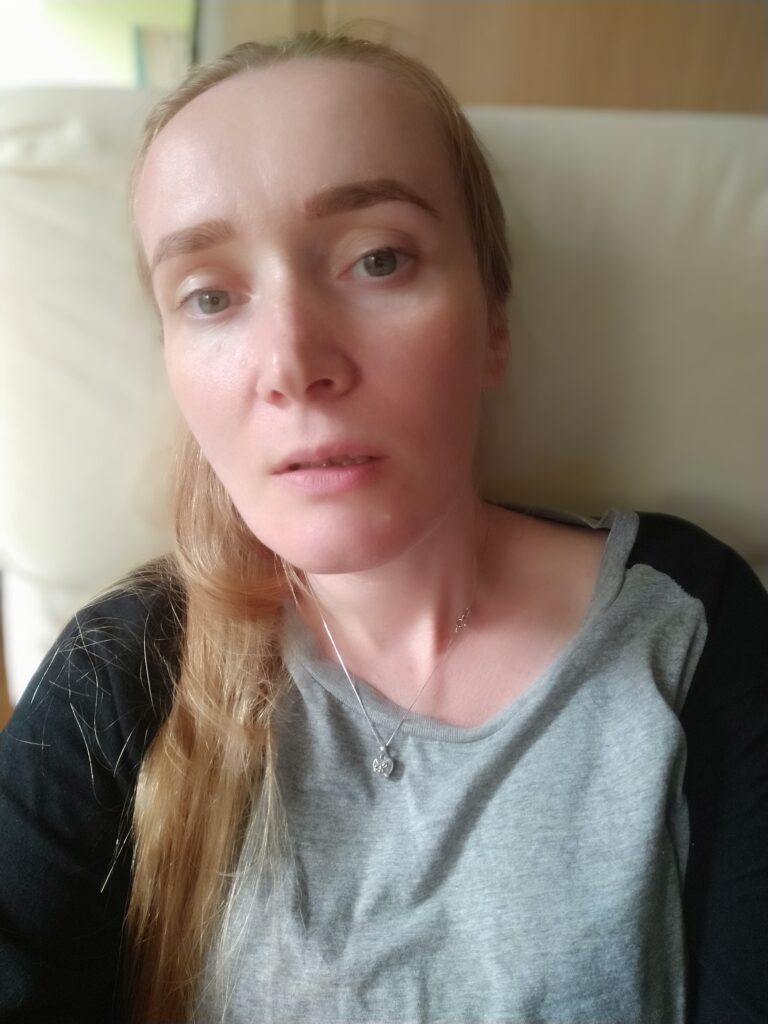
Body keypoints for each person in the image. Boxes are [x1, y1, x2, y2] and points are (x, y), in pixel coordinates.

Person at [0, 30, 766, 1024]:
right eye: (211, 297)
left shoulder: (692, 627)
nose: (293, 363)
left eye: (378, 259)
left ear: (494, 320)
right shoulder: (122, 672)